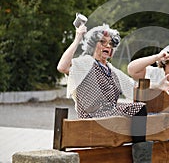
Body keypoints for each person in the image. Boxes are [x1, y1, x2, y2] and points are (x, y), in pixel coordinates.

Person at [57, 23, 158, 163]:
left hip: (110, 114)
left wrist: (160, 84)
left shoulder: (110, 69)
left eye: (111, 44)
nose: (108, 46)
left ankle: (141, 160)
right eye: (103, 42)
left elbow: (133, 86)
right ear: (93, 45)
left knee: (140, 108)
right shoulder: (87, 62)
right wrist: (78, 37)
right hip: (92, 115)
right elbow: (62, 67)